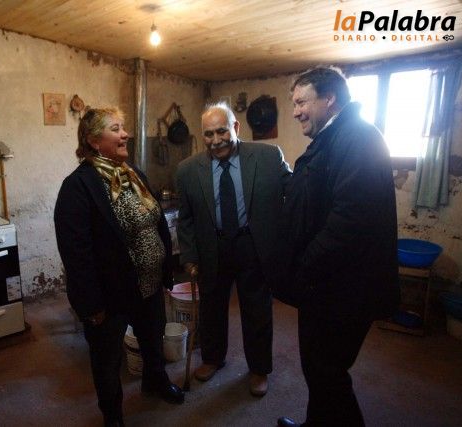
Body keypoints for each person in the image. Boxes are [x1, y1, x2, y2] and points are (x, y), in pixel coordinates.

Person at [275, 67, 400, 427]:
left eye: (302, 102)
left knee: (327, 371)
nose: (296, 112)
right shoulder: (335, 137)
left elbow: (349, 220)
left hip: (344, 288)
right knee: (318, 367)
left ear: (329, 99)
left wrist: (304, 264)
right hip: (327, 285)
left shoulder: (357, 138)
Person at [54, 107, 184, 427]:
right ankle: (112, 415)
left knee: (152, 339)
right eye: (115, 129)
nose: (125, 134)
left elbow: (156, 223)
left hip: (149, 283)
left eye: (123, 127)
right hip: (111, 295)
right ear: (94, 141)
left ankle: (155, 381)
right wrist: (90, 305)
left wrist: (164, 269)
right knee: (107, 359)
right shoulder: (78, 186)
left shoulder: (132, 173)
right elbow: (76, 254)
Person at [176, 102, 291, 396]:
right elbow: (185, 219)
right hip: (211, 247)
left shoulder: (268, 157)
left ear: (236, 127)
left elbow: (296, 194)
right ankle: (213, 358)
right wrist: (189, 256)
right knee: (211, 308)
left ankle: (259, 369)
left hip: (251, 245)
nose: (216, 140)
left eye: (222, 131)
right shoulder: (187, 170)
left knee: (257, 310)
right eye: (209, 134)